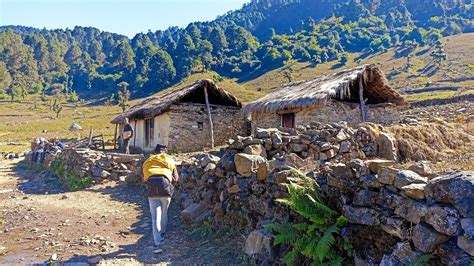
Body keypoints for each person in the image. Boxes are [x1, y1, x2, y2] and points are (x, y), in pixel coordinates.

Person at [142, 144, 179, 247]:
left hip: (152, 189)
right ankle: (163, 233)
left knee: (154, 217)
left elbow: (144, 177)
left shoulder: (149, 160)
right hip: (165, 187)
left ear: (155, 152)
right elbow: (176, 178)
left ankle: (157, 240)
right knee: (164, 212)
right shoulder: (169, 159)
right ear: (165, 152)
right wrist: (171, 185)